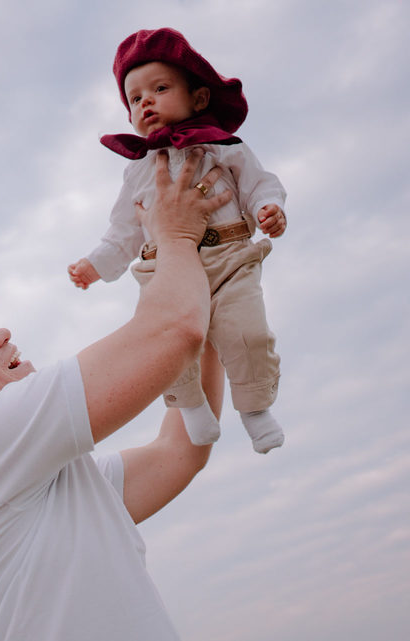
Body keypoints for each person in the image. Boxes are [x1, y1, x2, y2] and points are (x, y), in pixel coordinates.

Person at [0, 150, 230, 640]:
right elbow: (171, 332)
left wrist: (211, 288)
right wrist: (177, 236)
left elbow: (183, 449)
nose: (0, 332)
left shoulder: (54, 481)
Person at [67, 27, 288, 453]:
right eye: (134, 98)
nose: (145, 101)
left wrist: (268, 209)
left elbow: (261, 184)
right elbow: (124, 230)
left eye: (160, 88)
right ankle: (191, 409)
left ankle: (255, 408)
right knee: (166, 346)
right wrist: (94, 265)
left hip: (229, 259)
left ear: (199, 98)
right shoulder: (137, 171)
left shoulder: (224, 148)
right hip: (163, 266)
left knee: (249, 334)